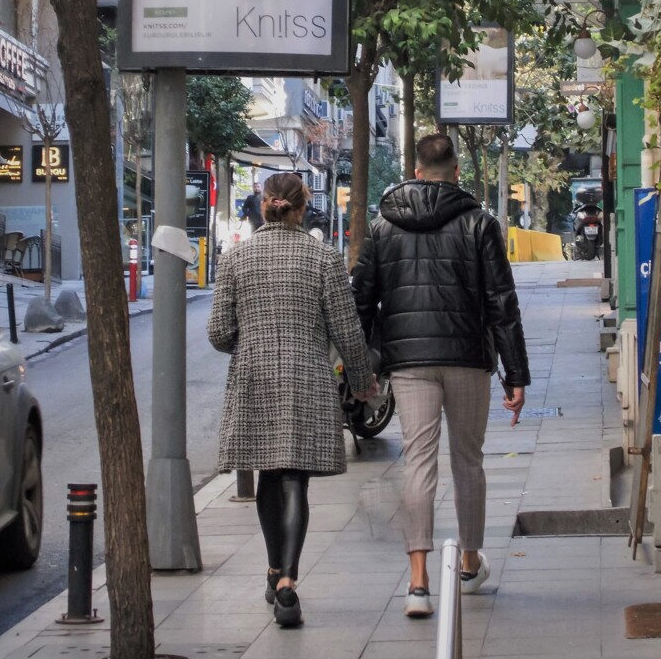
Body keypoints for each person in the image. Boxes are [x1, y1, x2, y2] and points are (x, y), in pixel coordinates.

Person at [352, 133, 530, 618]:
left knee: (419, 463)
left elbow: (362, 299)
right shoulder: (479, 222)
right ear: (455, 172)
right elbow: (501, 302)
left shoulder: (382, 226)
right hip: (469, 359)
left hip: (408, 362)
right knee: (468, 462)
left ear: (415, 170)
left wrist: (360, 370)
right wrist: (516, 372)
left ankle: (417, 583)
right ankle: (470, 565)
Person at [207, 172, 377, 627]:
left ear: (265, 204)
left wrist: (252, 340)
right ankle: (287, 582)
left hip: (254, 377)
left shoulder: (236, 258)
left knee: (268, 474)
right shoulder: (323, 257)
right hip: (306, 375)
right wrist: (363, 381)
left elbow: (219, 333)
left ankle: (273, 568)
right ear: (302, 208)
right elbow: (347, 328)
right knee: (295, 479)